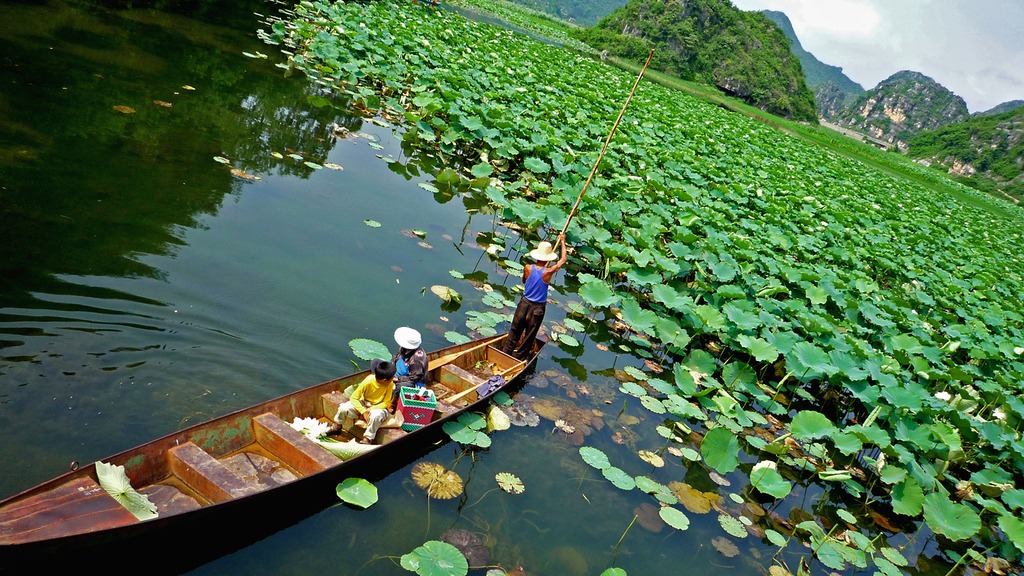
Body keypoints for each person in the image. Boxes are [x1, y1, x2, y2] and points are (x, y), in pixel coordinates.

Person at [502, 233, 567, 360]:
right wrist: (563, 241)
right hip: (537, 309)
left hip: (524, 304)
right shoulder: (548, 272)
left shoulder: (527, 267)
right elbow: (563, 260)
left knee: (514, 331)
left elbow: (524, 281)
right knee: (529, 336)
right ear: (548, 257)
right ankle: (519, 359)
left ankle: (504, 354)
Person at [333, 358, 396, 443]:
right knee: (343, 408)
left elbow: (386, 402)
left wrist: (372, 409)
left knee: (376, 416)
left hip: (378, 407)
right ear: (385, 380)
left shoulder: (389, 384)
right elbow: (354, 398)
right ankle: (337, 427)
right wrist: (363, 411)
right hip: (365, 403)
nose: (394, 379)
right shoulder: (368, 381)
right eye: (392, 377)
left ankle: (367, 438)